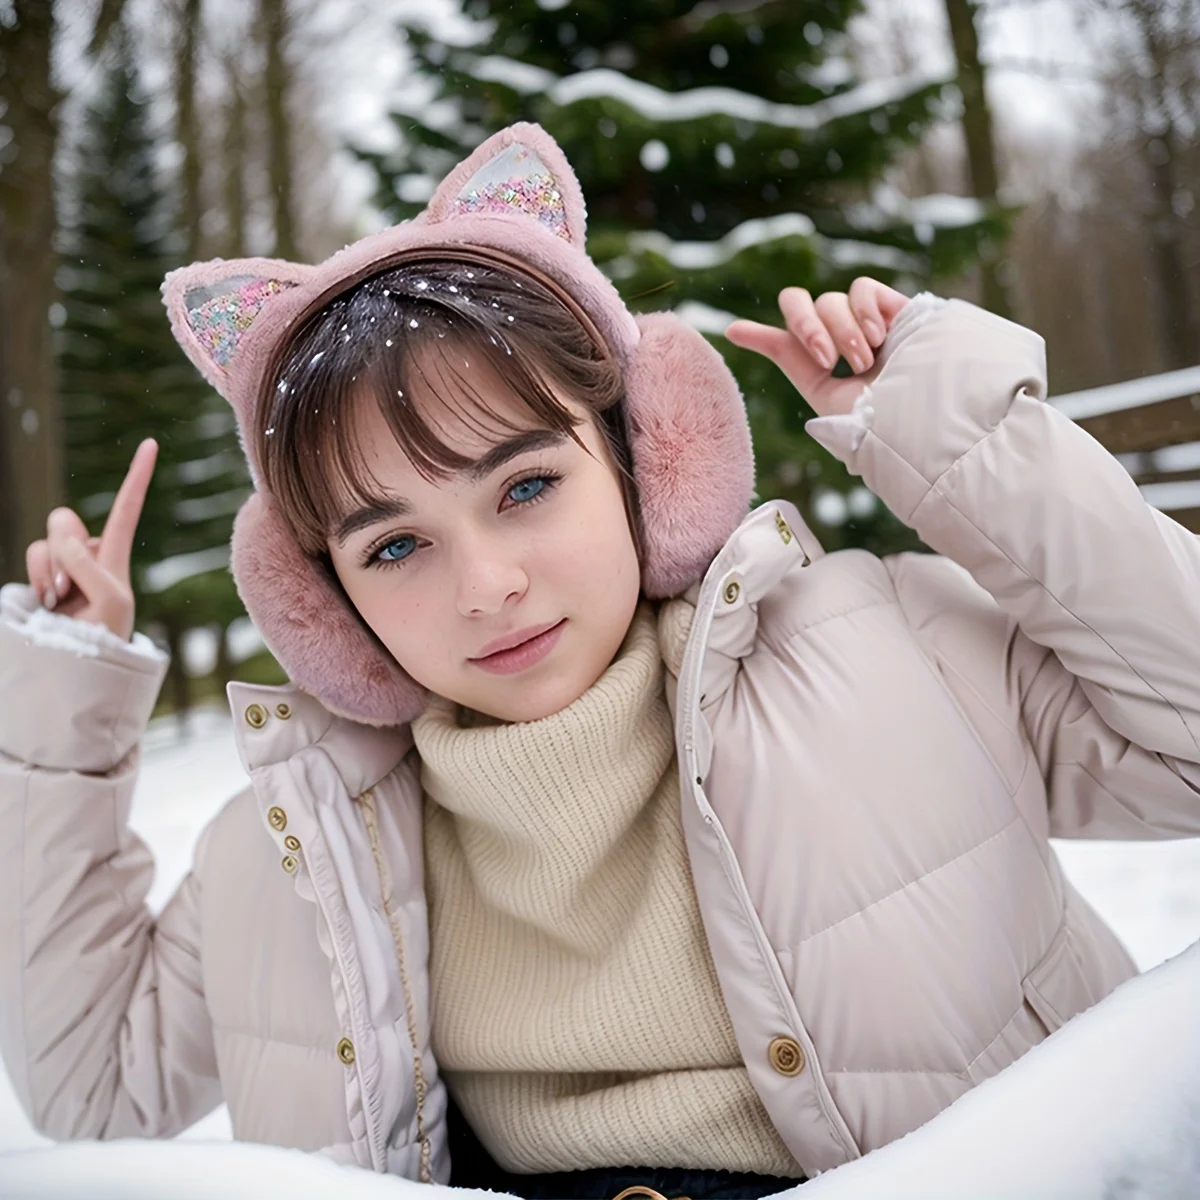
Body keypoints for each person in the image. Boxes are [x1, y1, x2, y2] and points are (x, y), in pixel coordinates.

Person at [2, 122, 1199, 1198]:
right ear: (325, 606)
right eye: (396, 545)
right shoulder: (298, 850)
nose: (486, 588)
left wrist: (962, 432)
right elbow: (92, 1090)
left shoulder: (889, 652)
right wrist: (62, 694)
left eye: (525, 484)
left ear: (644, 458)